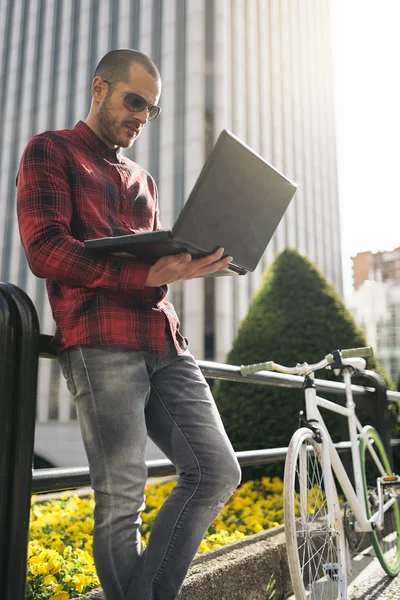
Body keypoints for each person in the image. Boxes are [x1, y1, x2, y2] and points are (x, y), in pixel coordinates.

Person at [16, 49, 241, 600]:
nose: (141, 116)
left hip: (166, 340)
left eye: (151, 110)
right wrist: (143, 277)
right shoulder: (51, 151)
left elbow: (154, 267)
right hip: (100, 343)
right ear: (99, 89)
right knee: (122, 498)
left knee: (217, 470)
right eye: (133, 101)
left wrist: (185, 265)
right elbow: (45, 250)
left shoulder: (145, 180)